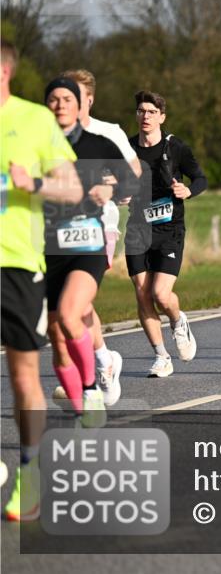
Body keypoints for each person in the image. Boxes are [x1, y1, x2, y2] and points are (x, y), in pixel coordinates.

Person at [1, 40, 82, 522]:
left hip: (16, 263)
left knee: (22, 375)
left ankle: (28, 477)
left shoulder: (34, 120)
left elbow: (71, 188)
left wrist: (32, 184)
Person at [43, 77, 139, 430]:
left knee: (71, 314)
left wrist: (108, 188)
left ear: (80, 103)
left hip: (88, 245)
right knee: (57, 336)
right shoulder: (36, 147)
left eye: (67, 98)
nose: (61, 104)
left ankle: (91, 389)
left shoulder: (98, 143)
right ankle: (86, 412)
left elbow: (131, 182)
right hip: (48, 248)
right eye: (53, 99)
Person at [124, 91, 206, 378]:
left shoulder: (176, 148)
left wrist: (188, 191)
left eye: (151, 111)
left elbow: (200, 178)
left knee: (160, 293)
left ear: (161, 117)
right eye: (141, 111)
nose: (145, 116)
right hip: (137, 229)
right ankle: (161, 356)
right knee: (142, 293)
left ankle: (178, 321)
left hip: (169, 230)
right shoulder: (127, 148)